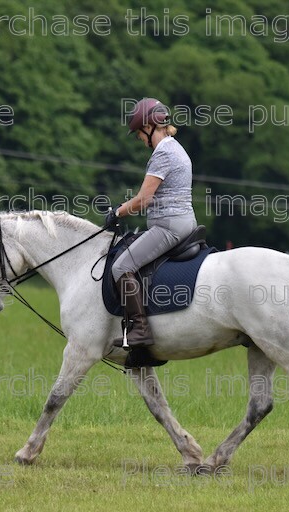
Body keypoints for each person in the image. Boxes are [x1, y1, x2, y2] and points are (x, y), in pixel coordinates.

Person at [106, 97, 197, 348]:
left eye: (139, 133)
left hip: (169, 226)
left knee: (120, 266)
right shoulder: (176, 147)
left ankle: (141, 329)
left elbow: (144, 199)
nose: (139, 139)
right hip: (182, 222)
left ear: (149, 126)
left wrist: (117, 212)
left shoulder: (163, 153)